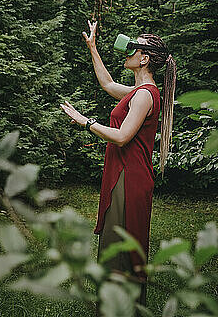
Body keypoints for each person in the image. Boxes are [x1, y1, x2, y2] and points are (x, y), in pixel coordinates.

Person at [60, 20, 176, 313]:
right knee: (118, 244)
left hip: (130, 179)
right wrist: (92, 47)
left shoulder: (145, 95)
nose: (128, 51)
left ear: (144, 59)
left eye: (134, 48)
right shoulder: (140, 91)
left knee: (121, 244)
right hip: (126, 175)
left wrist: (84, 121)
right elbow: (108, 84)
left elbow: (123, 137)